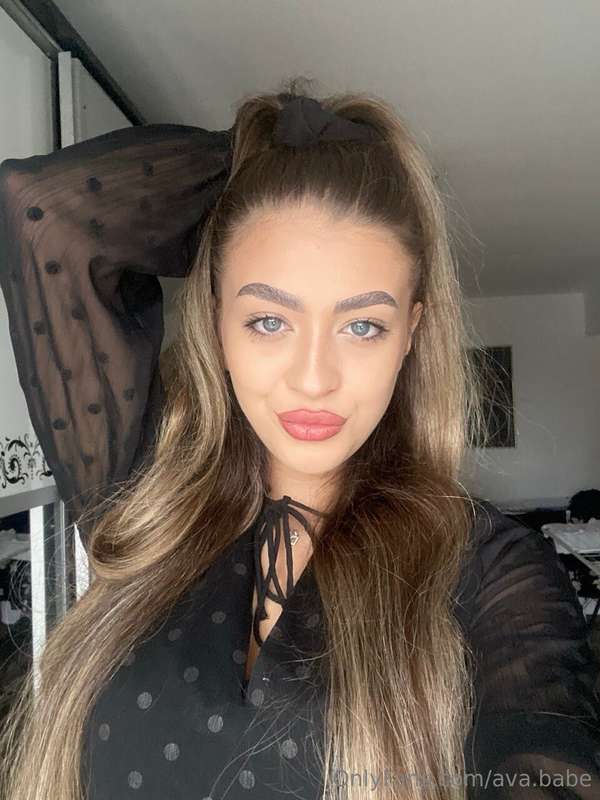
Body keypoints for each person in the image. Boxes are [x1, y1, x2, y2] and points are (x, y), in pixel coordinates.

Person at [0, 77, 599, 800]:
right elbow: (43, 212)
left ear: (410, 334)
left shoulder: (488, 573)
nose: (314, 379)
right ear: (217, 322)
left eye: (362, 325)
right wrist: (263, 155)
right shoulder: (147, 503)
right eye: (269, 321)